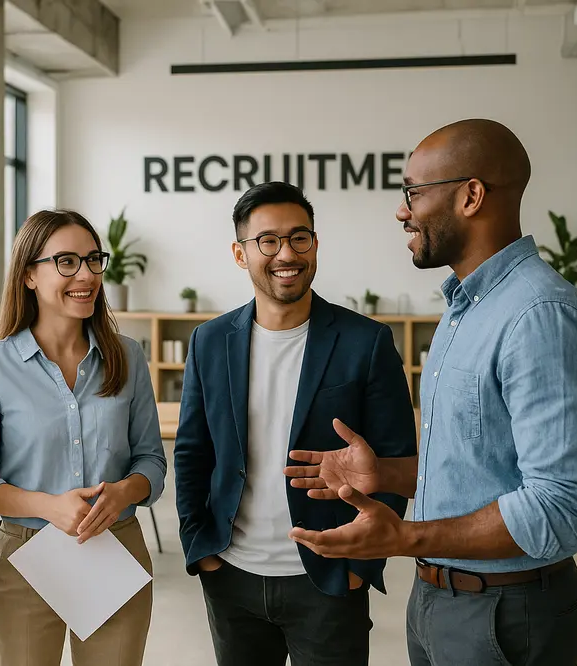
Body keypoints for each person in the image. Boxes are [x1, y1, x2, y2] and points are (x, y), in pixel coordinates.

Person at [287, 119, 577, 666]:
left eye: (413, 191)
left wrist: (405, 536)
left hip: (504, 614)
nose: (401, 209)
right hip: (440, 597)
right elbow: (480, 467)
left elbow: (560, 508)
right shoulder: (468, 309)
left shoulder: (538, 317)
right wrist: (385, 476)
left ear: (471, 195)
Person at [173, 181, 417, 666]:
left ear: (315, 244)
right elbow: (192, 452)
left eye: (299, 237)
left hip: (328, 575)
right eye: (268, 240)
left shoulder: (365, 342)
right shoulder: (209, 341)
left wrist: (359, 564)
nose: (286, 253)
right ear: (241, 254)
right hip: (231, 574)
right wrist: (201, 549)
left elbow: (396, 461)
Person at [0, 209, 167, 666]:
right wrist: (49, 506)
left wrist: (126, 491)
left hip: (115, 546)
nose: (86, 275)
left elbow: (152, 459)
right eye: (66, 262)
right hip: (24, 556)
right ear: (29, 274)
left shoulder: (127, 357)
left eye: (93, 260)